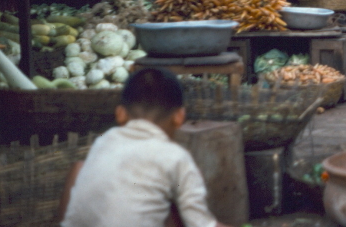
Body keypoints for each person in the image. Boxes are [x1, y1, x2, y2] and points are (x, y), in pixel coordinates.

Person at [60, 68, 231, 227]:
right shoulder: (176, 157)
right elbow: (201, 224)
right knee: (179, 183)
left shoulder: (103, 142)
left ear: (120, 113)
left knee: (80, 168)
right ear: (179, 117)